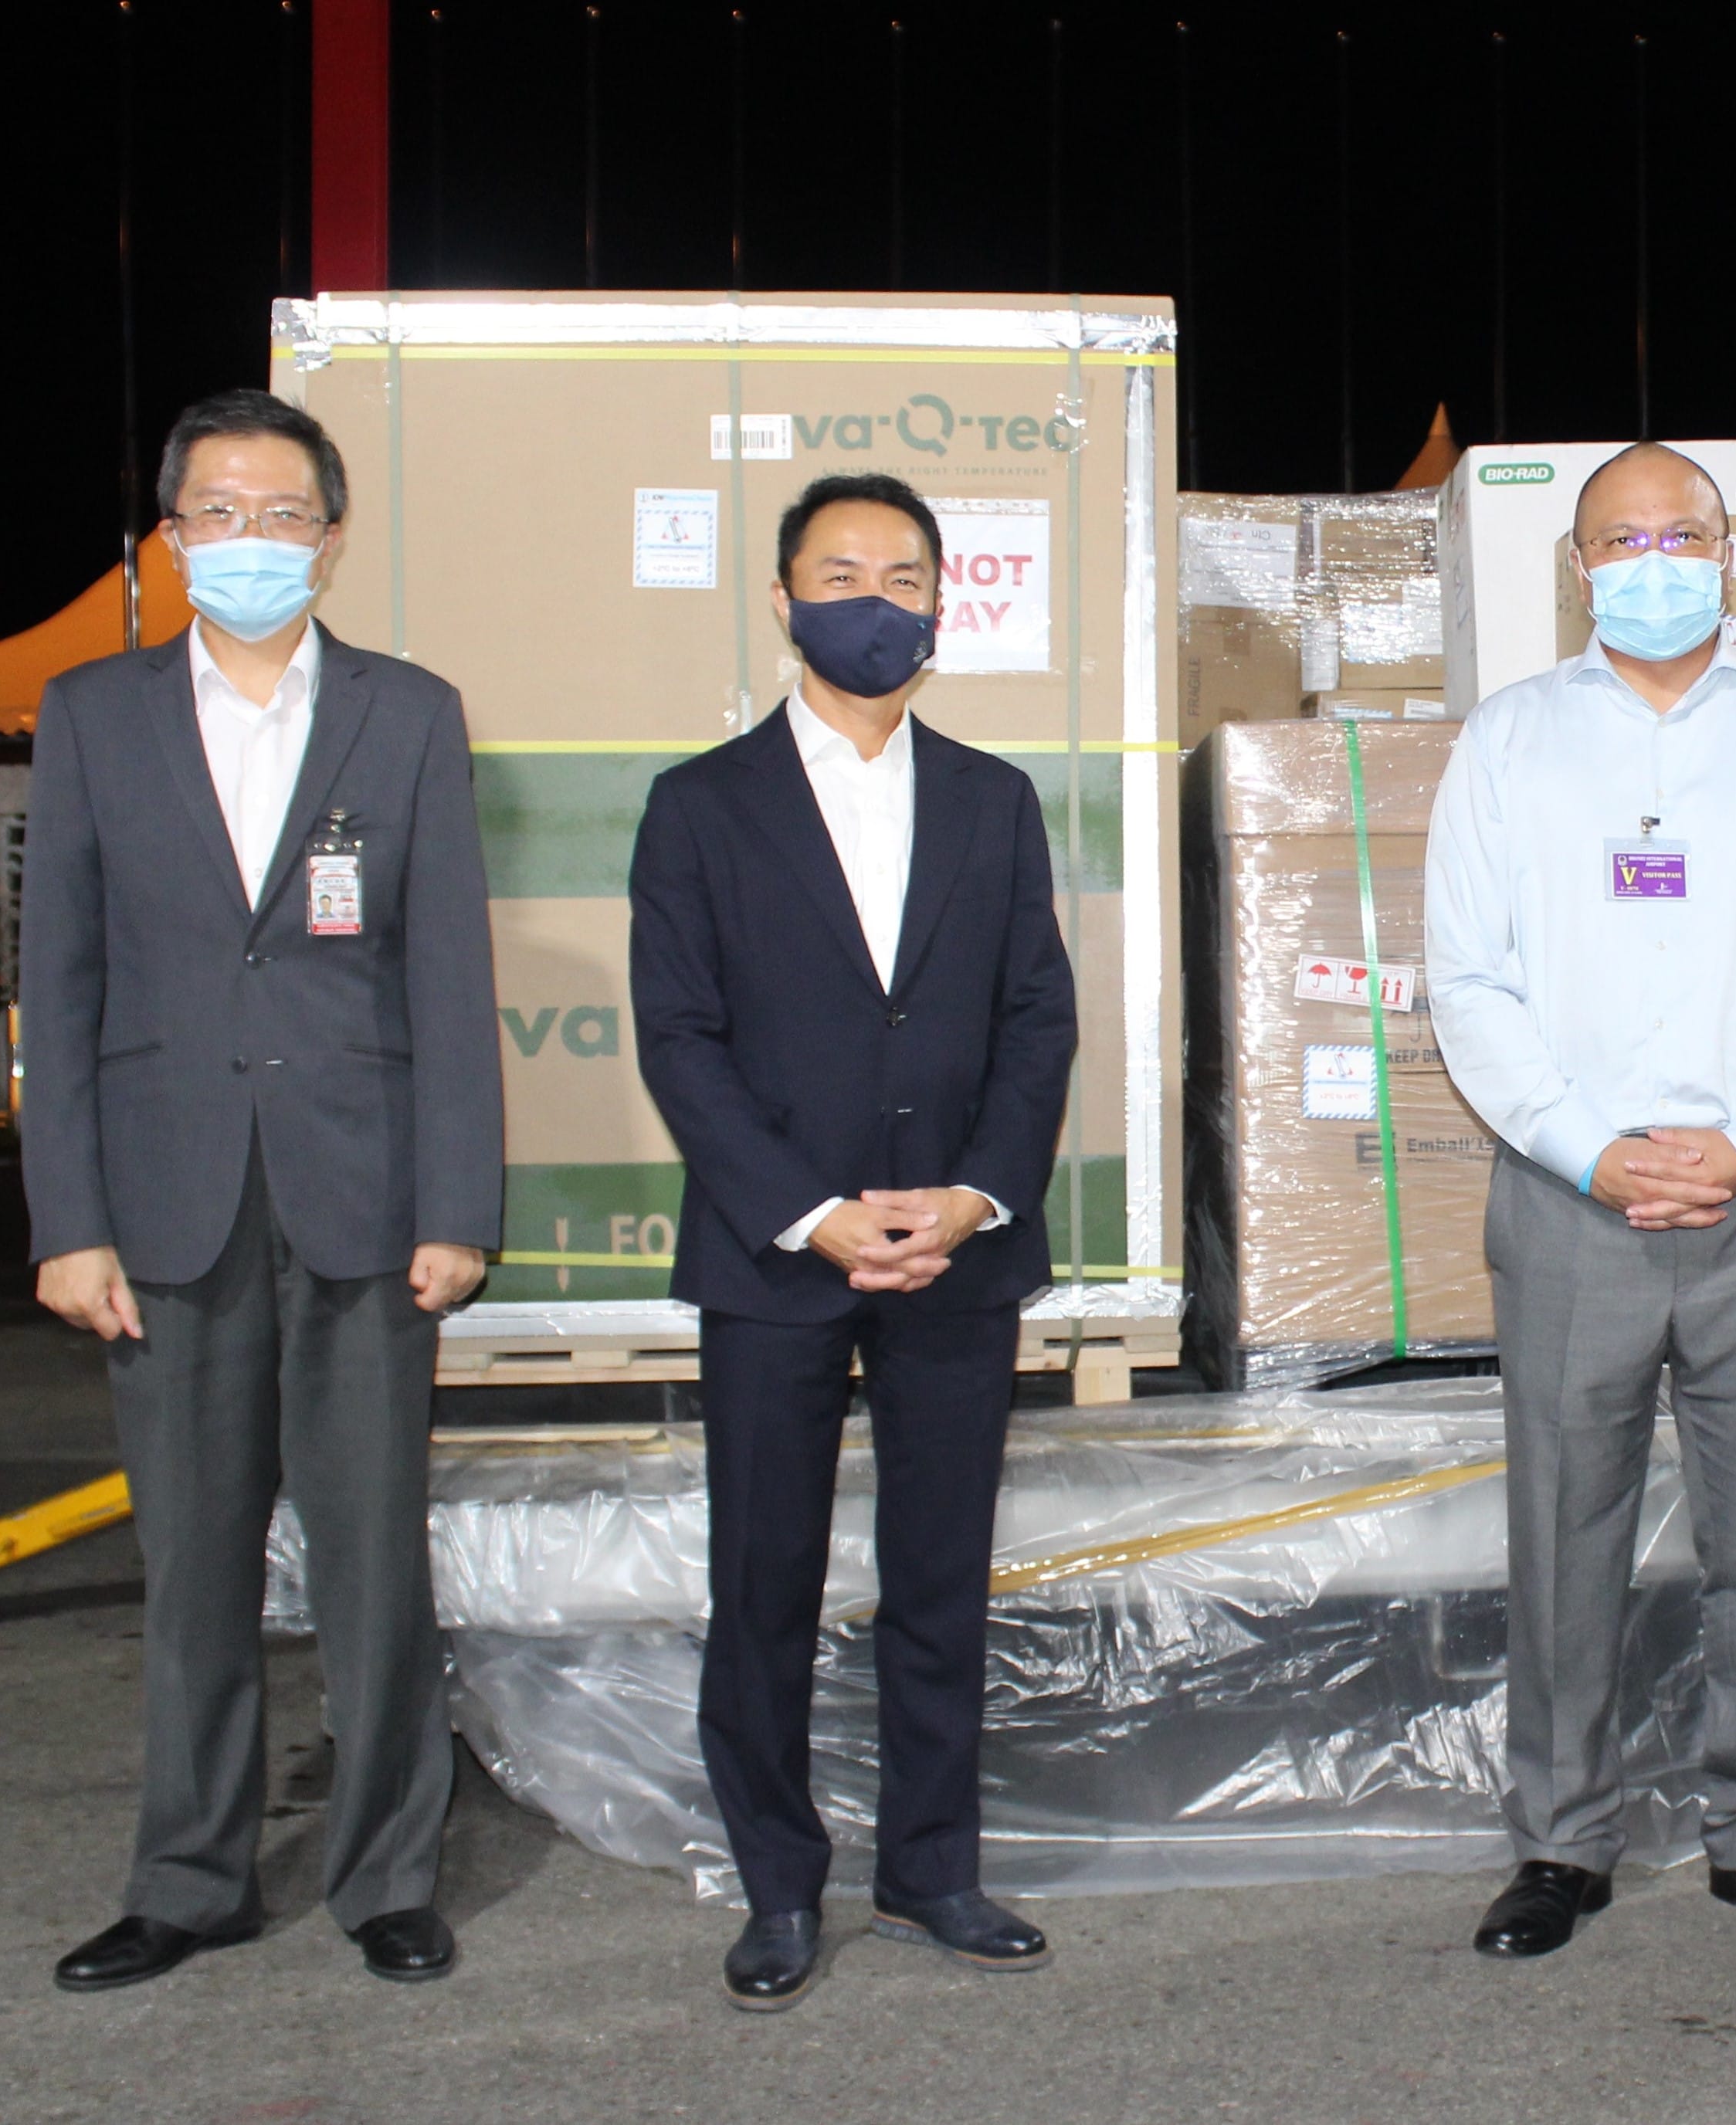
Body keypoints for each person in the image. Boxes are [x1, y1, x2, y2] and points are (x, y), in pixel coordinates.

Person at [22, 389, 500, 1991]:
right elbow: (63, 982)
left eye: (281, 513)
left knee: (375, 1566)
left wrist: (460, 1205)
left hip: (364, 1204)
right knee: (195, 1570)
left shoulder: (407, 713)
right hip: (165, 1210)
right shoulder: (91, 714)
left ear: (333, 535)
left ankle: (385, 1875)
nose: (249, 541)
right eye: (216, 513)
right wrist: (66, 1219)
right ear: (171, 540)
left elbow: (446, 975)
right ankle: (187, 1877)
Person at [1425, 442, 1736, 1958]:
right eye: (1617, 541)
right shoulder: (1508, 740)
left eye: (1677, 534)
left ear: (1725, 547)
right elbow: (1468, 977)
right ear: (1576, 567)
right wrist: (1583, 1144)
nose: (1649, 561)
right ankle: (1561, 1837)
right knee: (1567, 1528)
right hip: (1573, 1201)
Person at [629, 471, 1078, 2008]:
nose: (872, 599)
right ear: (780, 597)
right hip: (776, 1256)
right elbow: (679, 1036)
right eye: (840, 571)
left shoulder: (993, 799)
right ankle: (777, 1884)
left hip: (958, 1246)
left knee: (939, 1573)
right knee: (763, 1577)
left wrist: (972, 1193)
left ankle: (933, 1866)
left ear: (940, 602)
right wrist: (814, 1213)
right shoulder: (700, 803)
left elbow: (1037, 1018)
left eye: (903, 574)